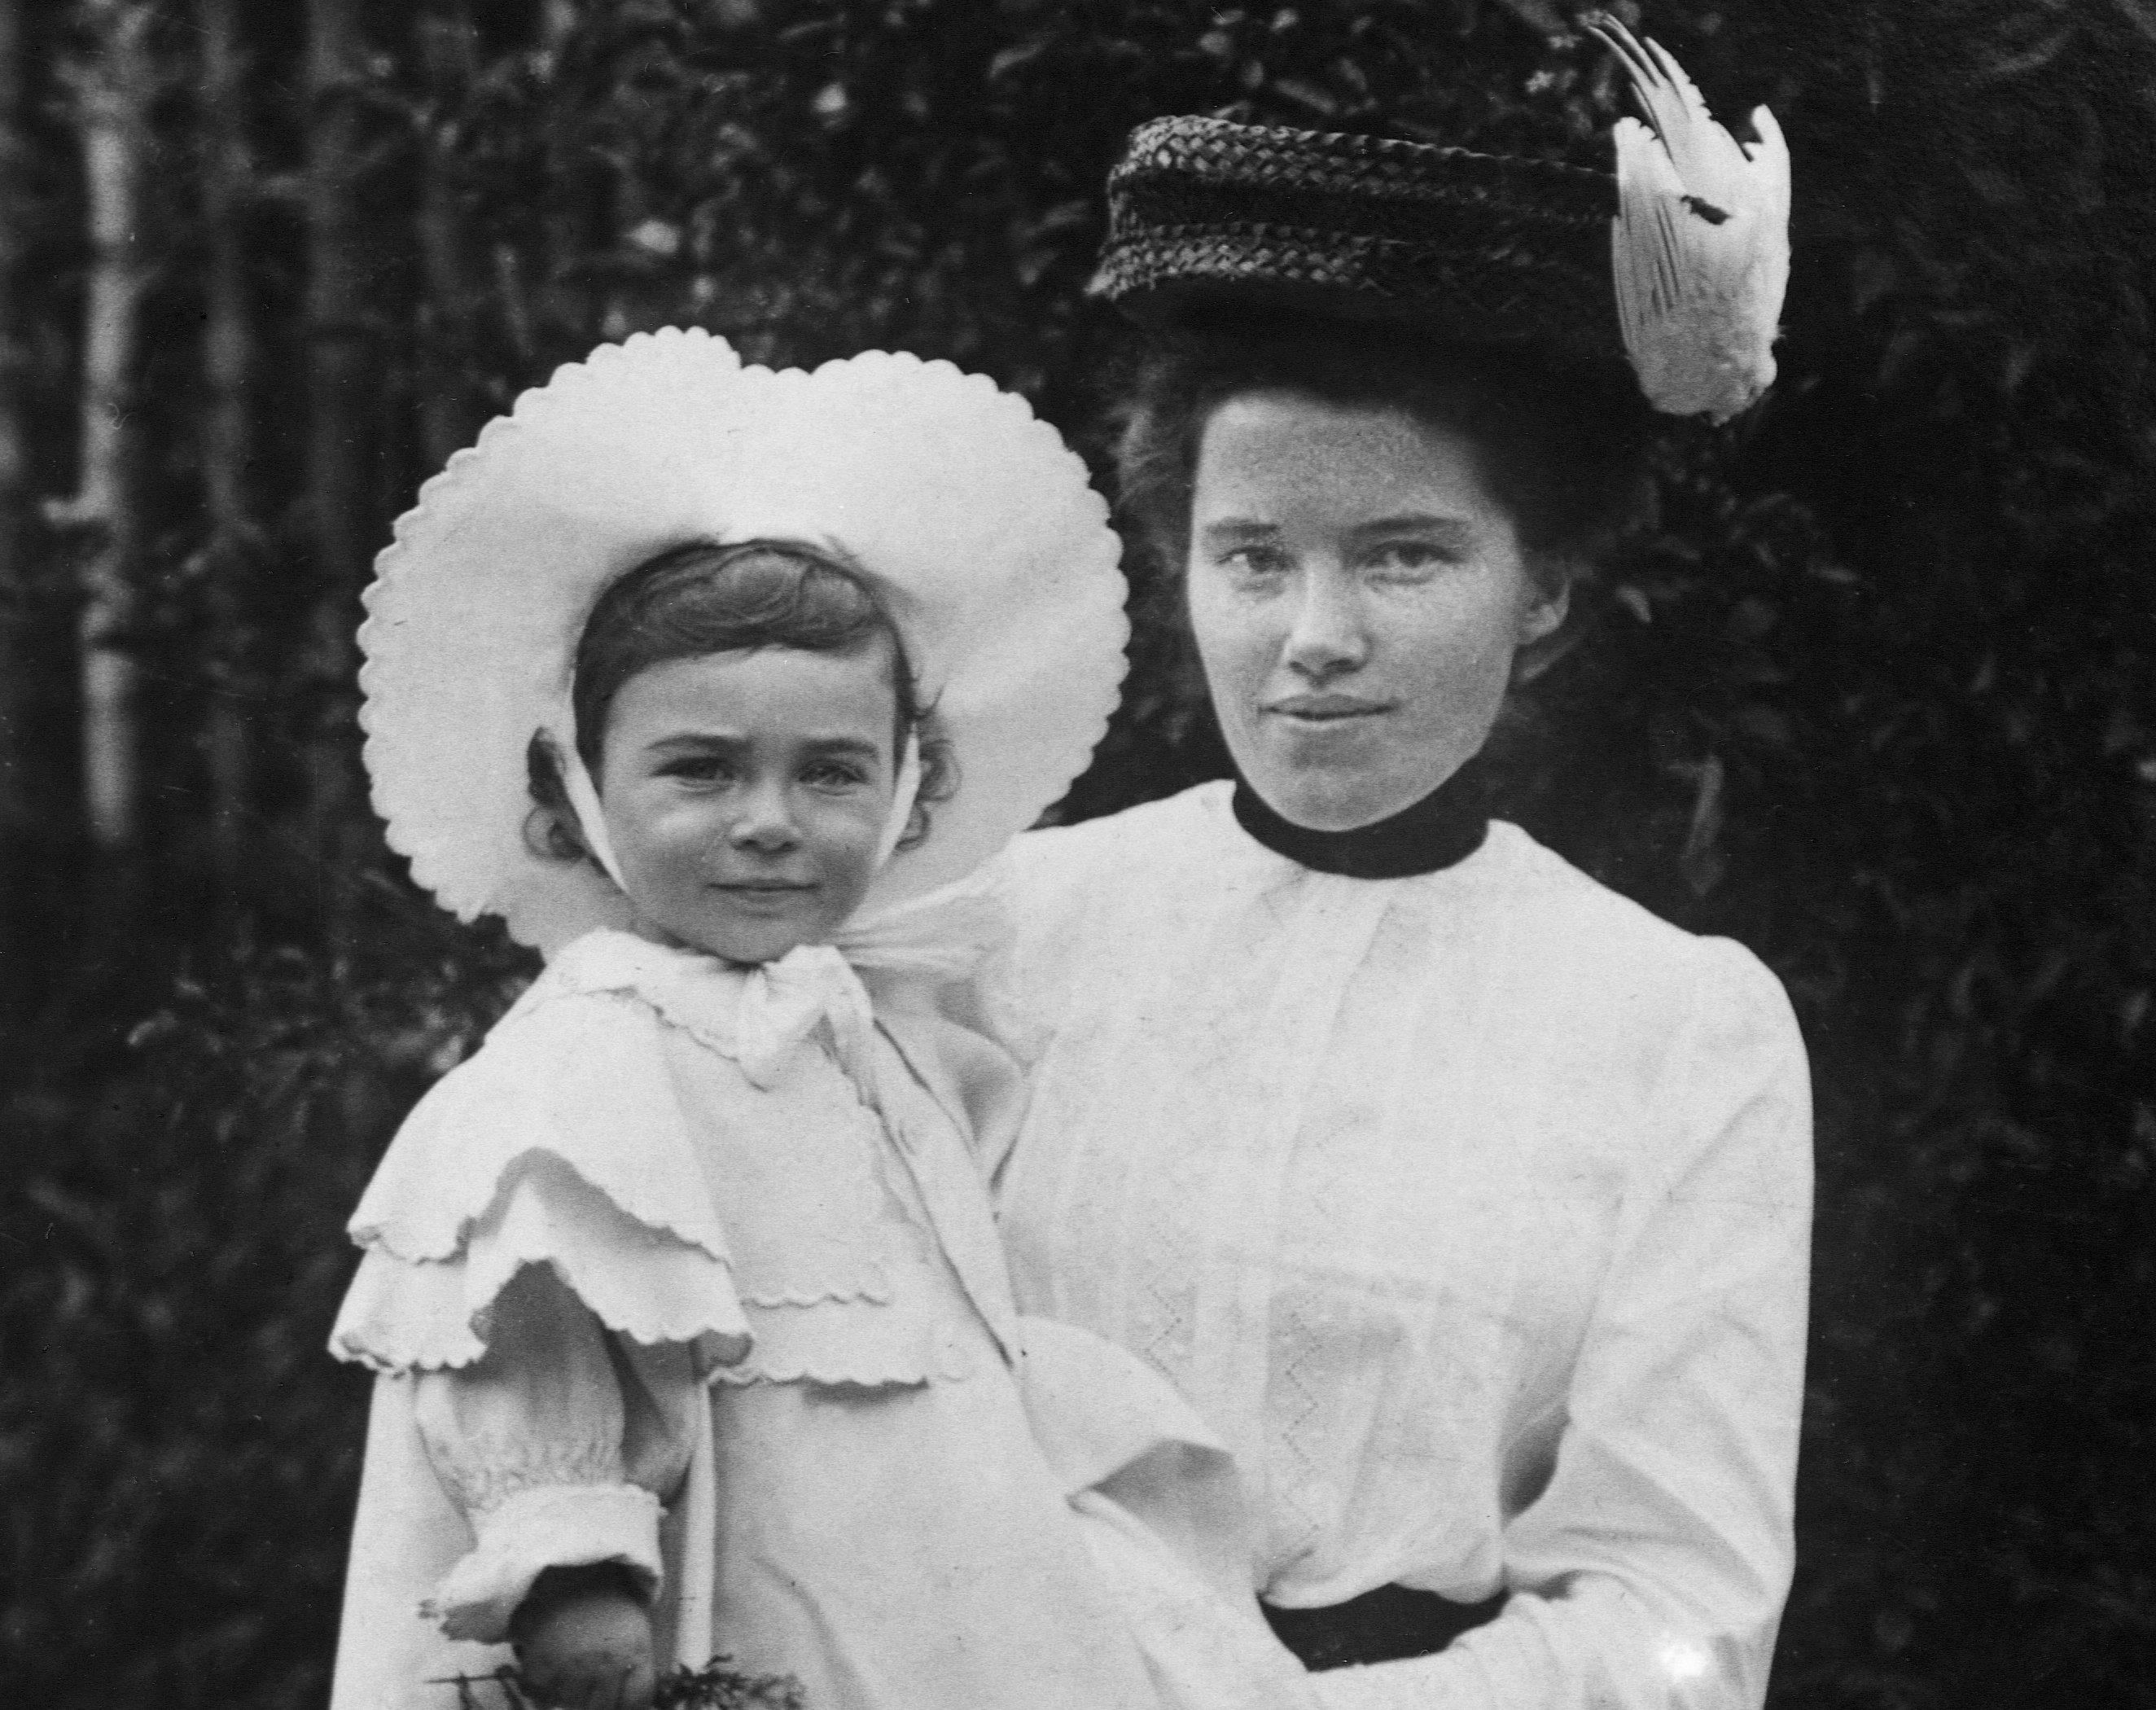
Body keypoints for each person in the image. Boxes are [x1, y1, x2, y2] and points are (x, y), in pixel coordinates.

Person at [986, 22, 1810, 1710]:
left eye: (1404, 557)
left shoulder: (1674, 1028)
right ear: (1180, 572)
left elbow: (1681, 1616)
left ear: (1549, 591)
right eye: (1251, 558)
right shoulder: (1000, 936)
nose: (1316, 639)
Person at [325, 331, 1315, 1710]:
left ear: (910, 787)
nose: (770, 826)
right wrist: (576, 1574)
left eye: (832, 773)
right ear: (579, 791)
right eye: (701, 770)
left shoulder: (870, 1016)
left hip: (949, 1556)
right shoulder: (594, 1053)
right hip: (759, 1564)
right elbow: (530, 1328)